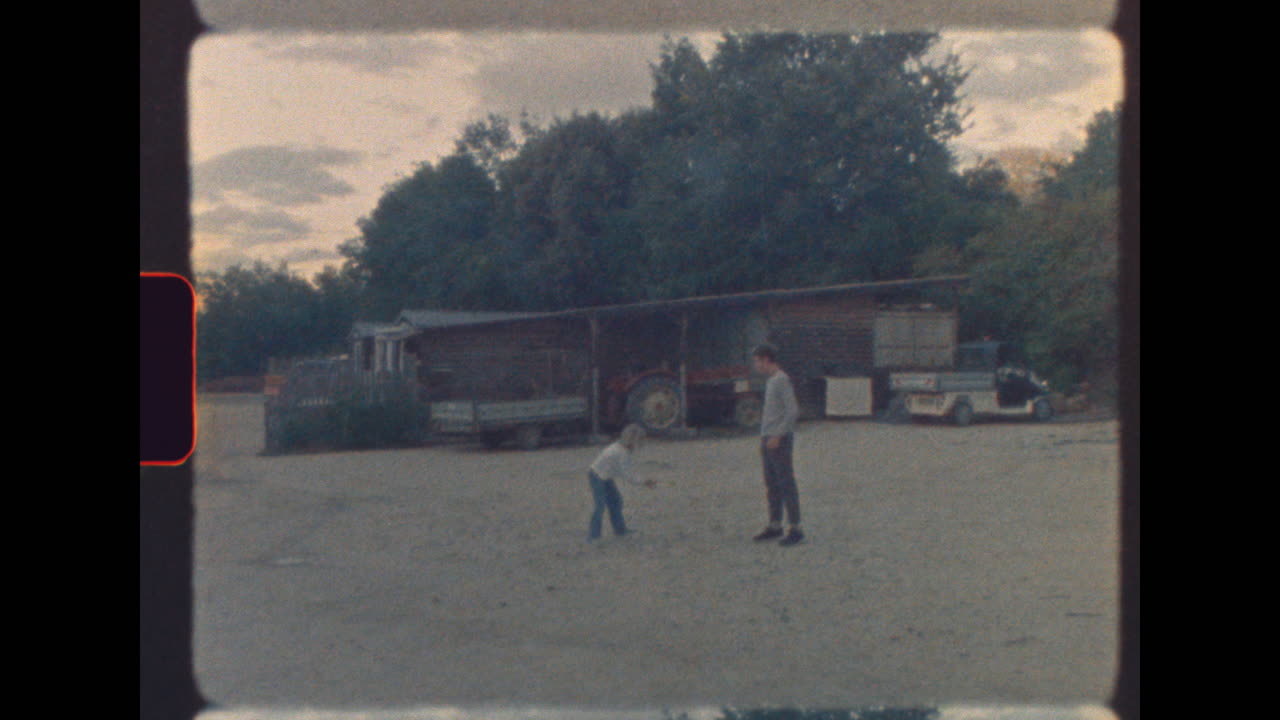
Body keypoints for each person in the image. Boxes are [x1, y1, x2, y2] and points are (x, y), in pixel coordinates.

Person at [751, 344, 805, 546]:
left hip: (778, 440)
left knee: (786, 483)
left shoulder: (781, 380)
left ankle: (796, 527)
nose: (756, 365)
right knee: (772, 484)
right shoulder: (772, 381)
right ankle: (775, 524)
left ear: (766, 360)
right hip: (768, 438)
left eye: (757, 361)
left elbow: (792, 411)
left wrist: (779, 435)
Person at [587, 424, 654, 541]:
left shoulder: (619, 448)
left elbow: (622, 471)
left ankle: (620, 530)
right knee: (600, 506)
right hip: (597, 476)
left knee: (616, 501)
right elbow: (628, 475)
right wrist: (644, 481)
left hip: (605, 476)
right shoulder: (622, 453)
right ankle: (594, 535)